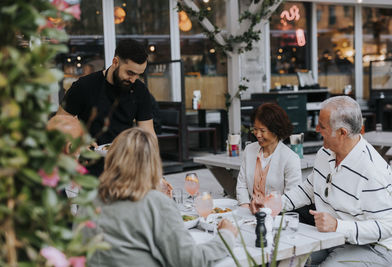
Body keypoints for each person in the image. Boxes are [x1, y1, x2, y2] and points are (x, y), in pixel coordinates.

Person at [81, 128, 238, 266]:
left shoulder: (89, 200)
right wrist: (226, 236)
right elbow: (190, 260)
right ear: (152, 162)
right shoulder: (155, 203)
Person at [282, 96, 392, 266]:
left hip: (373, 248)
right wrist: (276, 203)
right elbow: (308, 190)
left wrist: (337, 226)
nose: (317, 129)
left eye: (322, 126)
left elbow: (385, 228)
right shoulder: (324, 154)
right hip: (334, 238)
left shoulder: (372, 170)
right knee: (286, 258)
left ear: (342, 132)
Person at [57, 39, 155, 176]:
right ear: (115, 62)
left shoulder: (140, 90)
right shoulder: (84, 86)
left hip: (126, 167)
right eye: (130, 73)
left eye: (139, 74)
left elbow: (148, 133)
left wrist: (155, 174)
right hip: (90, 169)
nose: (133, 79)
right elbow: (59, 123)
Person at [236, 102, 302, 214]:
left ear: (276, 130)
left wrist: (267, 208)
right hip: (249, 213)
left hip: (277, 216)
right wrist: (245, 207)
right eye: (255, 129)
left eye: (262, 130)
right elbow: (241, 184)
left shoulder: (290, 158)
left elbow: (293, 197)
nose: (257, 134)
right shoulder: (249, 150)